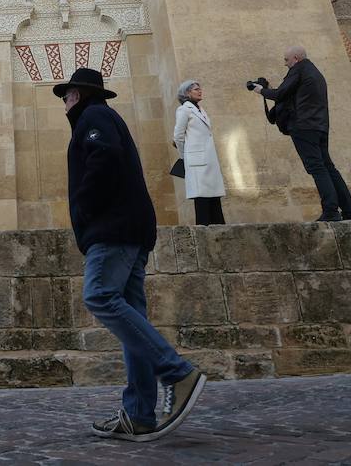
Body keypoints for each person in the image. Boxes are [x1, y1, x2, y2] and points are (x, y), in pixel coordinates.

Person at [56, 67, 205, 442]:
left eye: (67, 95)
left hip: (113, 229)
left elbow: (103, 160)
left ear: (80, 94)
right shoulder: (105, 117)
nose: (64, 102)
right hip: (132, 228)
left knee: (99, 295)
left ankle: (177, 372)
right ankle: (139, 414)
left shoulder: (94, 116)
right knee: (133, 317)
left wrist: (85, 209)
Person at [253, 46, 351, 221]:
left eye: (286, 60)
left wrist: (260, 90)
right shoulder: (314, 72)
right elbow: (291, 94)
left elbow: (280, 94)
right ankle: (348, 211)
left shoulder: (299, 69)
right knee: (328, 167)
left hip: (303, 127)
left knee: (316, 167)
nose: (285, 64)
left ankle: (331, 211)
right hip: (320, 126)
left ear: (296, 58)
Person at [172, 80, 226, 225]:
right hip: (196, 159)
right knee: (202, 196)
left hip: (208, 159)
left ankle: (219, 225)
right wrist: (185, 156)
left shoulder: (200, 109)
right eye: (196, 89)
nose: (200, 91)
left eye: (199, 88)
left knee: (214, 195)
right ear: (187, 93)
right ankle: (204, 227)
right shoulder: (184, 109)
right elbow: (178, 136)